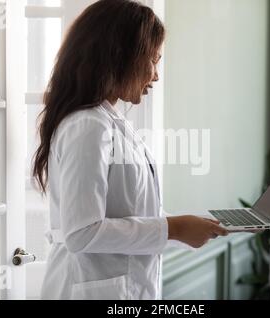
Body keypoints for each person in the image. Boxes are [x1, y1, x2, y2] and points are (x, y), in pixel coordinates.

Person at [33, 0, 230, 300]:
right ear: (118, 56)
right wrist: (174, 229)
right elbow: (81, 233)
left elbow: (134, 212)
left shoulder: (108, 121)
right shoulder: (88, 126)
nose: (156, 75)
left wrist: (191, 227)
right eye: (153, 59)